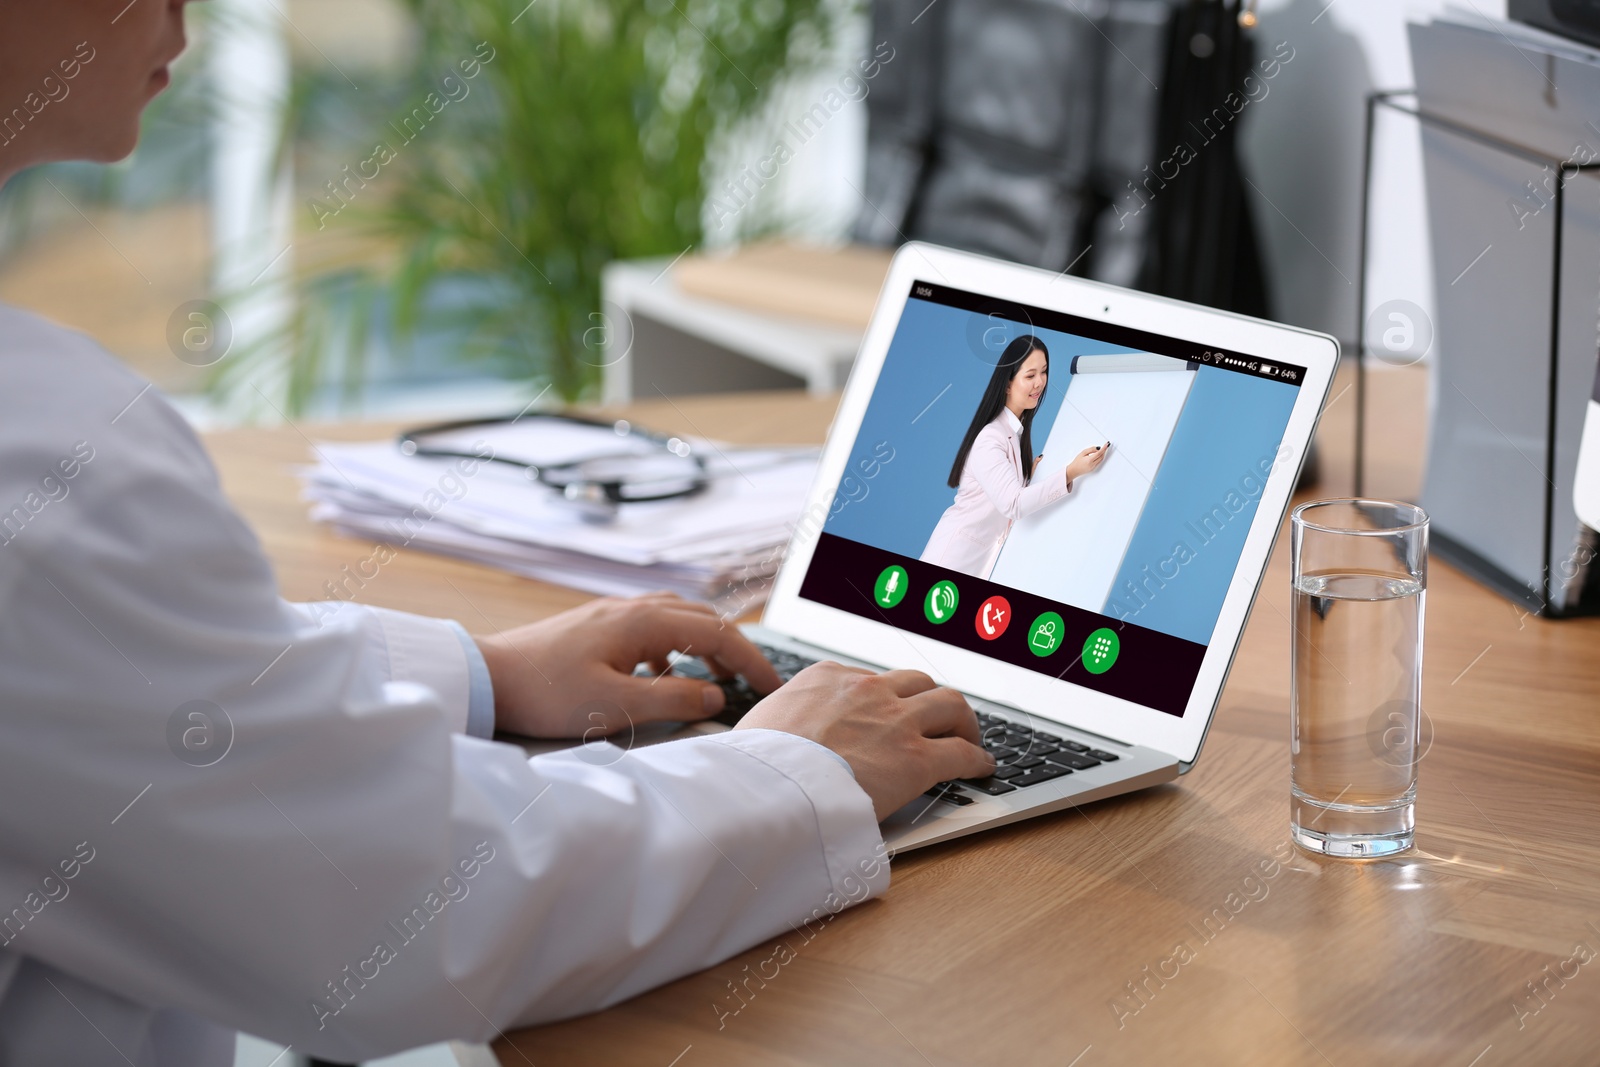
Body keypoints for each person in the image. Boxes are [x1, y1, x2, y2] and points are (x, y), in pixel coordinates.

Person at [0, 3, 995, 1063]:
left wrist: (476, 672)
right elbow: (405, 917)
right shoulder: (48, 461)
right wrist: (791, 773)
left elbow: (114, 679)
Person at [920, 334, 1110, 578]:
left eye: (1044, 372)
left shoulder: (1014, 434)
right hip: (950, 559)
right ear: (1008, 383)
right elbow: (1013, 504)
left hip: (975, 564)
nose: (1040, 382)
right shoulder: (990, 438)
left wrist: (1026, 478)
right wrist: (1071, 471)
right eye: (1030, 376)